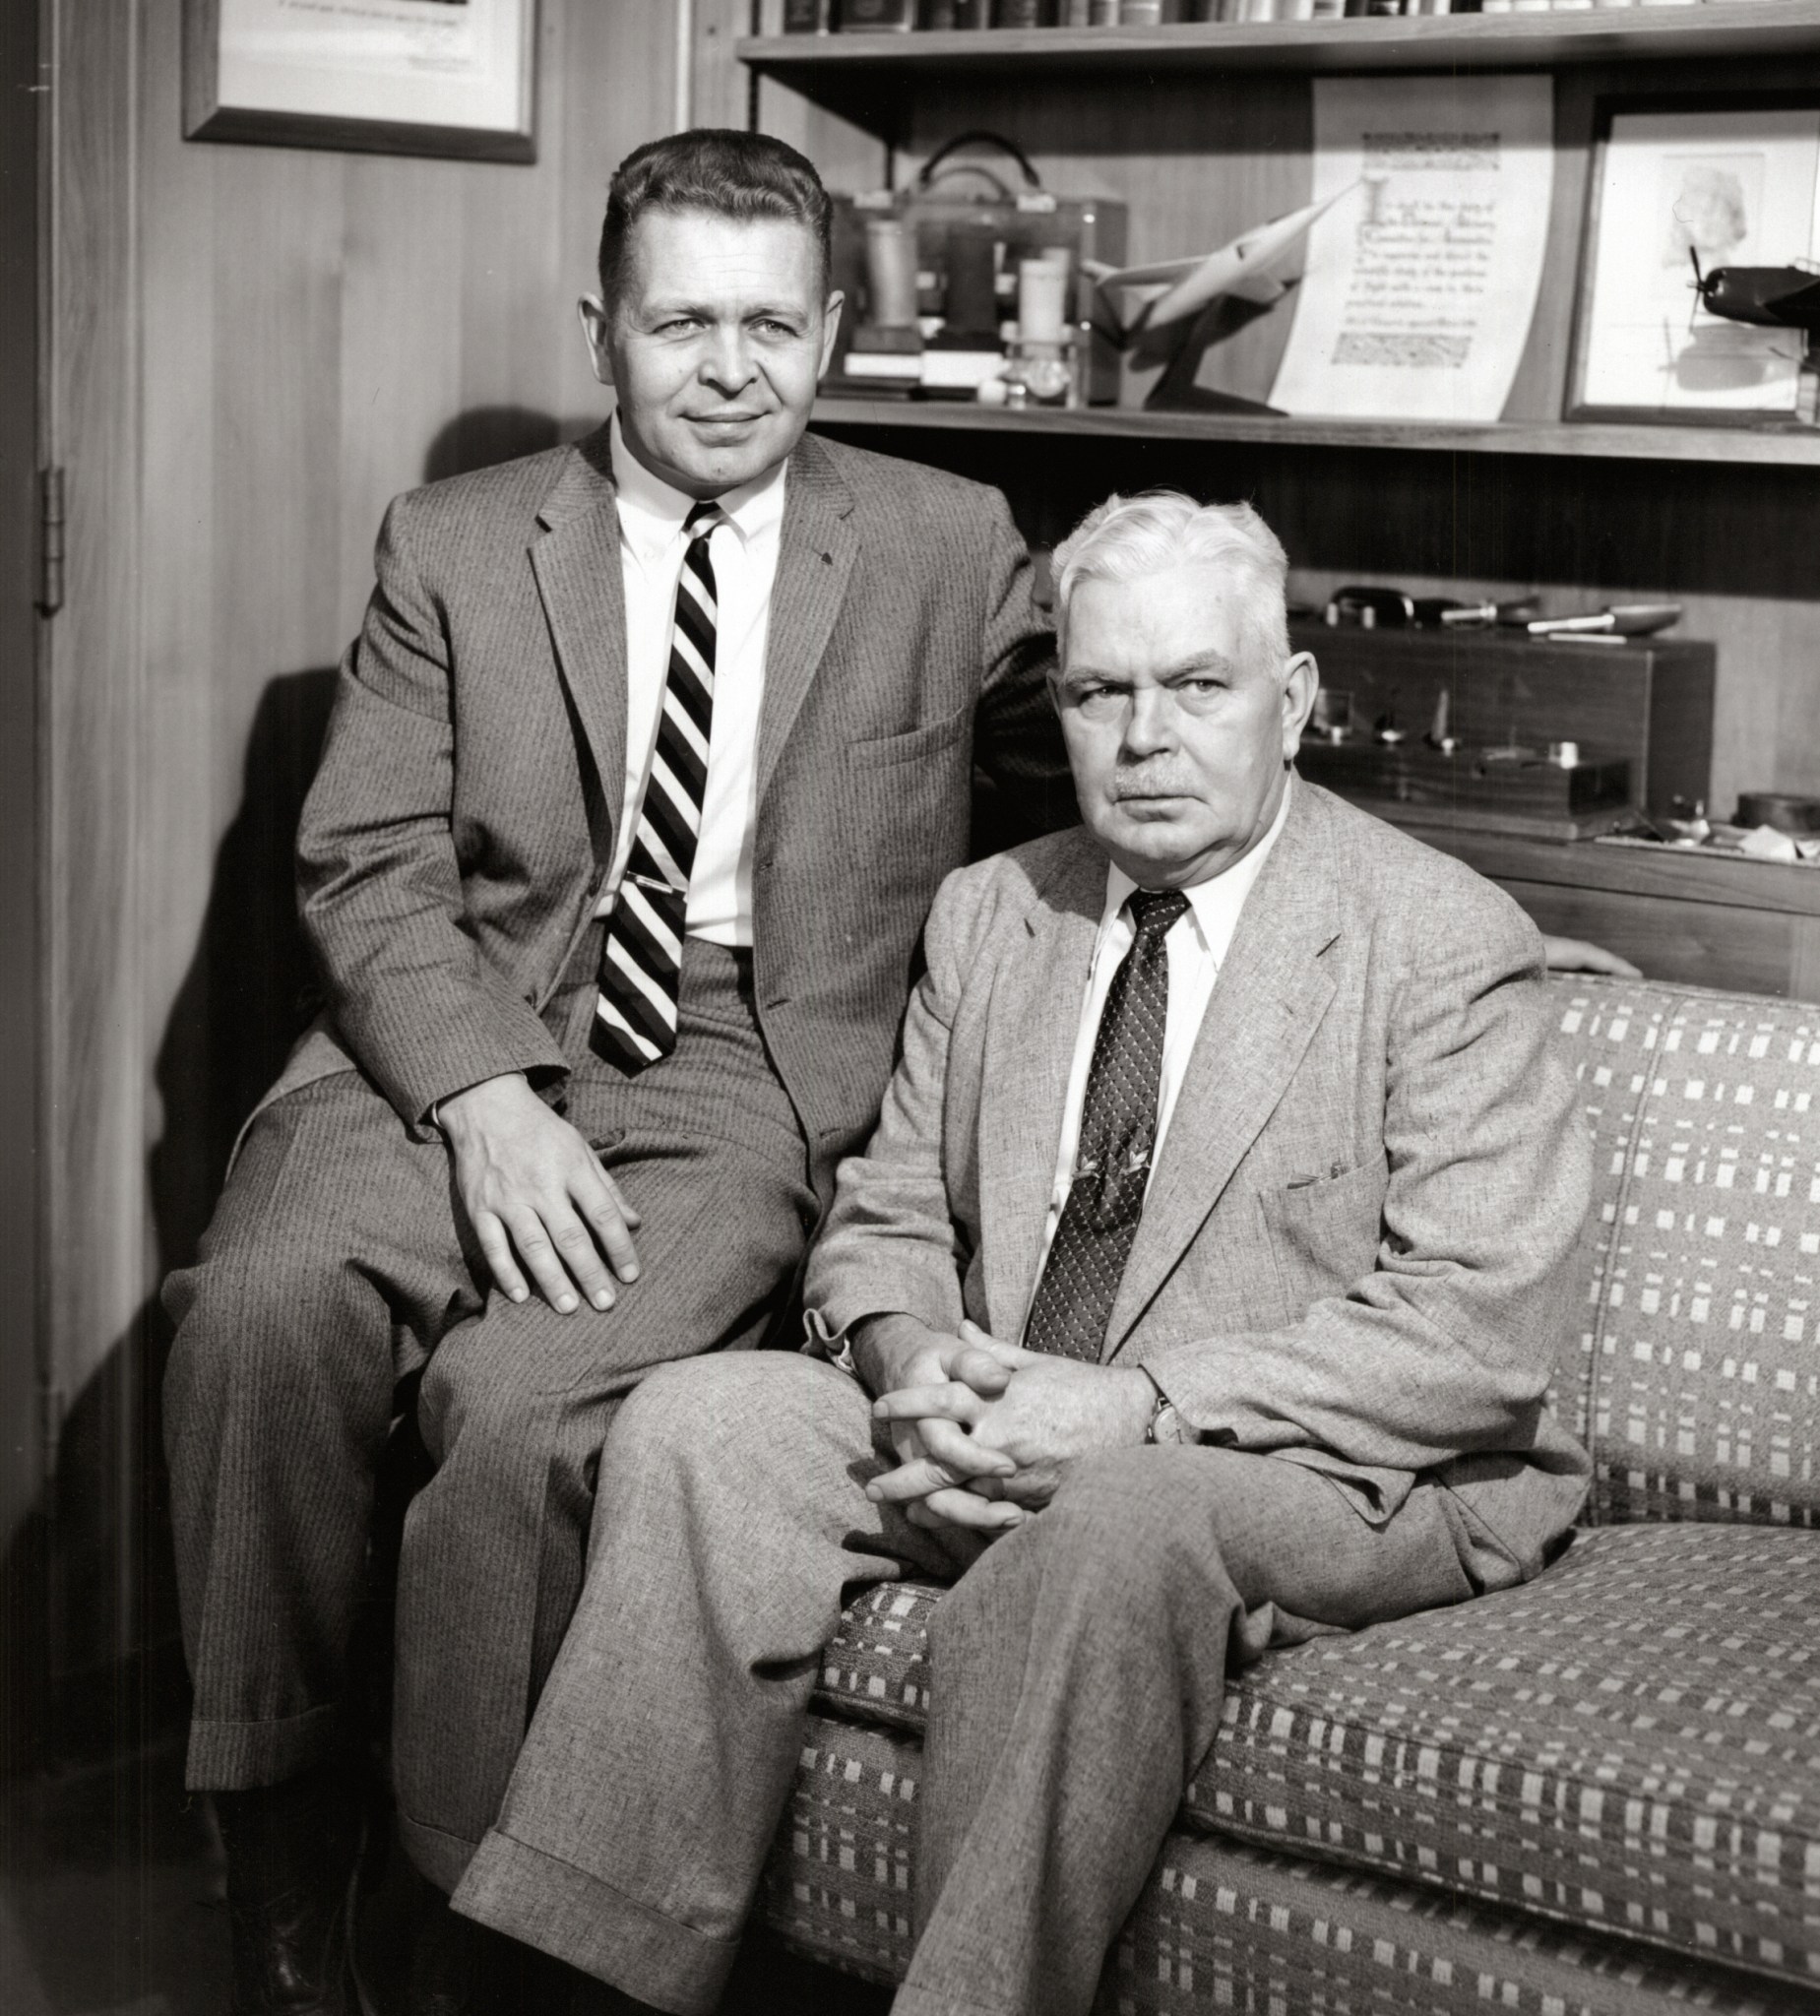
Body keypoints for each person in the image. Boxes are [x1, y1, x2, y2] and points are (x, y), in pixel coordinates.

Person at [452, 492, 1595, 2016]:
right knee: (694, 1425)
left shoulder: (1434, 936)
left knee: (1111, 1523)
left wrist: (1130, 1412)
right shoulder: (997, 910)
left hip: (1332, 1469)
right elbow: (890, 1215)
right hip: (1003, 1407)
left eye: (1198, 686)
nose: (1144, 738)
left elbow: (1473, 1330)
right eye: (1100, 692)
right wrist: (906, 1358)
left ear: (1294, 702)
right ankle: (588, 1980)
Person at [160, 128, 1070, 2014]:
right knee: (257, 1311)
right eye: (679, 324)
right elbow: (367, 855)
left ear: (828, 333)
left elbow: (1128, 759)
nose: (726, 368)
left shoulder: (945, 540)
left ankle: (451, 1905)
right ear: (604, 334)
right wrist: (483, 1096)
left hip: (751, 1057)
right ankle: (269, 1837)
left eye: (766, 324)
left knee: (516, 1399)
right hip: (465, 1013)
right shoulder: (461, 538)